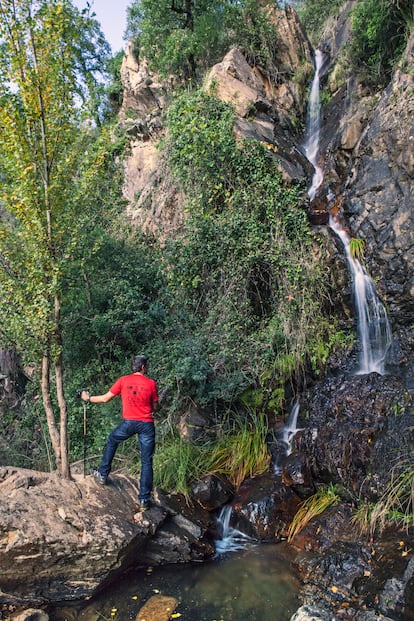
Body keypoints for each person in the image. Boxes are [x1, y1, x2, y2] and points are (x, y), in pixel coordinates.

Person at [81, 354, 160, 510]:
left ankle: (103, 474)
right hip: (146, 424)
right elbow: (156, 407)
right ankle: (144, 499)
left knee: (113, 440)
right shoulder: (151, 383)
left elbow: (105, 399)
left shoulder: (124, 381)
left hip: (129, 423)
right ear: (143, 367)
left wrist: (88, 398)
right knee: (146, 461)